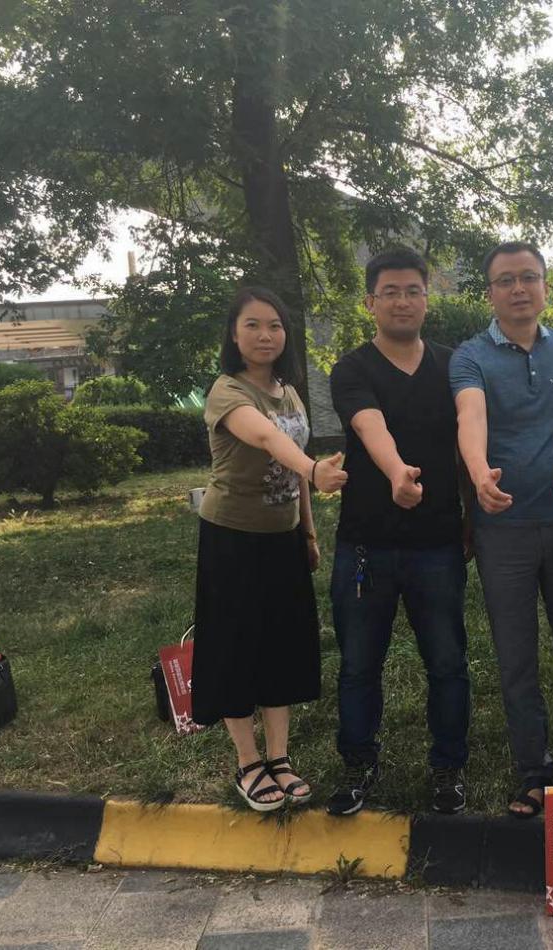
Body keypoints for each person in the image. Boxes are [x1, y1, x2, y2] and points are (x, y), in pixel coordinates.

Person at [450, 240, 553, 817]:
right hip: (504, 529)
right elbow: (470, 416)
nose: (518, 289)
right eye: (505, 280)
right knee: (516, 655)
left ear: (544, 285)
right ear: (490, 293)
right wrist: (479, 474)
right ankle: (534, 773)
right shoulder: (470, 356)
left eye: (529, 277)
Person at [325, 247, 472, 817]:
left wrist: (473, 512)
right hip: (367, 544)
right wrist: (395, 473)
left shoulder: (454, 366)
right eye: (390, 292)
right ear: (371, 302)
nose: (403, 301)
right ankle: (358, 763)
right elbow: (370, 425)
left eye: (413, 290)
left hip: (438, 543)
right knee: (359, 665)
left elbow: (469, 441)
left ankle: (448, 767)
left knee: (448, 663)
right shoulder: (352, 369)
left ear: (427, 299)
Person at [192, 286, 348, 812]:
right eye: (253, 325)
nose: (266, 335)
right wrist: (314, 468)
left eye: (275, 325)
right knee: (235, 645)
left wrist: (308, 533)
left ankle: (279, 758)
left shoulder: (289, 391)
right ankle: (248, 763)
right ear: (234, 335)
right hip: (232, 538)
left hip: (283, 539)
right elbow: (266, 439)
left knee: (282, 644)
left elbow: (295, 462)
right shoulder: (227, 391)